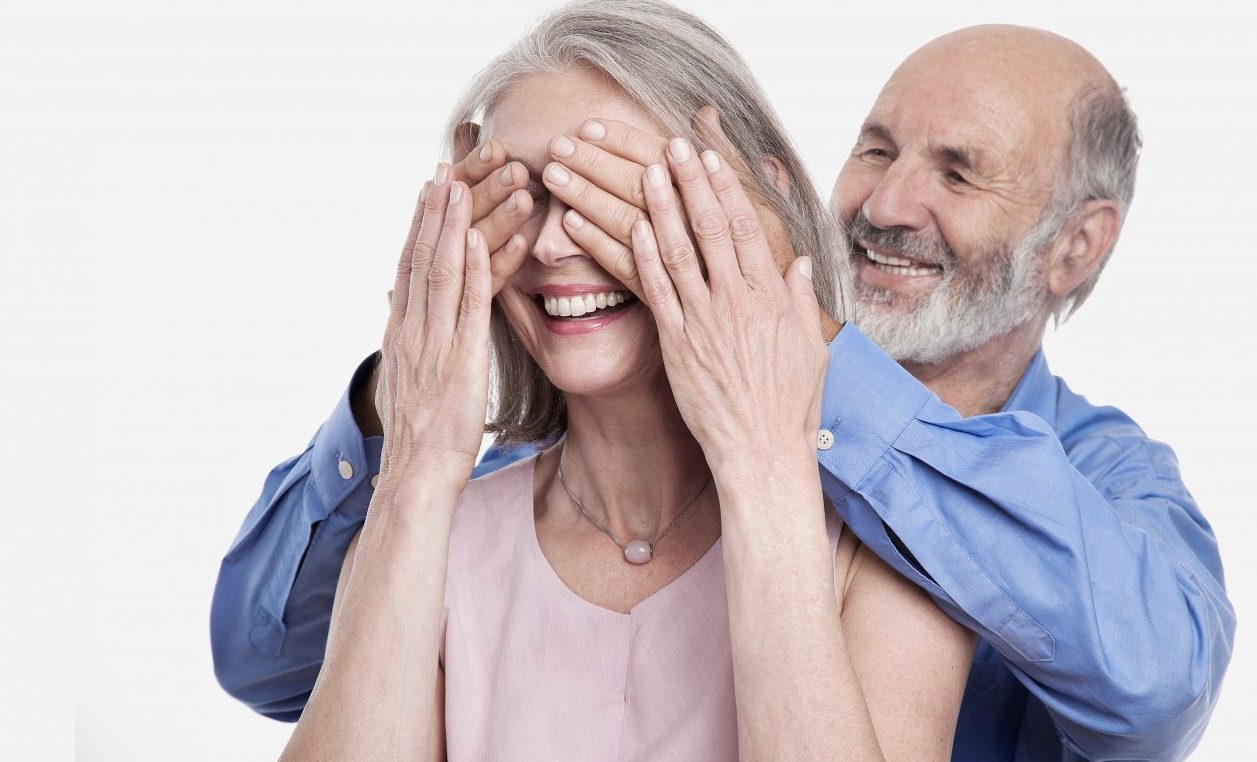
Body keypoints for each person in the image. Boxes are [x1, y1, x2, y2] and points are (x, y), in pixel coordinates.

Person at [212, 13, 1235, 762]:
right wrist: (410, 425)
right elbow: (261, 663)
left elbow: (1154, 691)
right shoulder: (472, 512)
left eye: (958, 173)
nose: (884, 202)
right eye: (874, 149)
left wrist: (786, 360)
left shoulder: (927, 529)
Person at [275, 3, 974, 759]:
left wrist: (761, 460)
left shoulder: (889, 543)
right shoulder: (431, 539)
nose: (548, 243)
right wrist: (415, 466)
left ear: (754, 208)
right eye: (525, 198)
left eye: (607, 196)